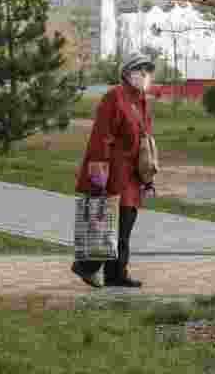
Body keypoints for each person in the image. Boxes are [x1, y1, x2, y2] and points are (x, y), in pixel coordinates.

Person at [72, 53, 157, 289]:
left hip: (133, 174)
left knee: (125, 224)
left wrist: (148, 177)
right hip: (114, 173)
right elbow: (101, 137)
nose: (145, 74)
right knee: (109, 223)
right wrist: (98, 175)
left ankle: (116, 273)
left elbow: (144, 139)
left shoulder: (141, 100)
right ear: (127, 73)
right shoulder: (114, 97)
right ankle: (86, 266)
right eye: (140, 69)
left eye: (148, 70)